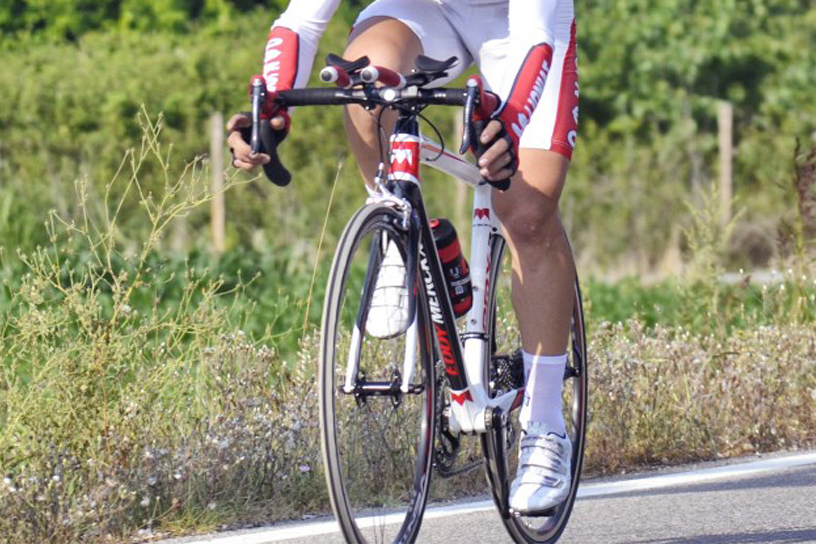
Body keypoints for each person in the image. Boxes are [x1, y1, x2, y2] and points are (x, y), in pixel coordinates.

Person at [227, 0, 579, 514]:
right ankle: (398, 235)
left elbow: (534, 35)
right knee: (365, 82)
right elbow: (300, 21)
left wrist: (509, 122)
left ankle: (545, 425)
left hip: (518, 24)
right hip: (421, 10)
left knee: (527, 213)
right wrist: (271, 109)